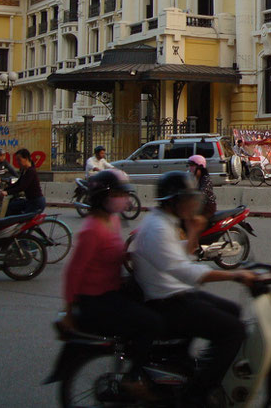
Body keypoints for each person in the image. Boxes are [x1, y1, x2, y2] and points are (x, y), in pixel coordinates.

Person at [132, 172, 257, 399]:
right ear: (173, 201)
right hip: (167, 303)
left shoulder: (165, 222)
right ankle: (199, 393)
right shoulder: (157, 229)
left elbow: (183, 255)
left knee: (234, 311)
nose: (192, 203)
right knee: (234, 330)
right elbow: (188, 272)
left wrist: (192, 231)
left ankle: (207, 367)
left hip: (178, 294)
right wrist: (235, 275)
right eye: (187, 199)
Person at [61, 169, 164, 395]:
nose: (123, 198)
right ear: (103, 197)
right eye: (118, 193)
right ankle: (132, 377)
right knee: (152, 322)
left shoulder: (113, 221)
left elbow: (114, 255)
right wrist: (69, 311)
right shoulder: (92, 230)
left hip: (114, 290)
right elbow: (73, 272)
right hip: (97, 300)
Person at [4, 148, 45, 215]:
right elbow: (18, 183)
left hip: (36, 203)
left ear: (26, 158)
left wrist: (7, 192)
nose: (18, 162)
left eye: (19, 160)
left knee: (23, 219)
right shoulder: (24, 170)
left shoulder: (31, 171)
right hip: (29, 200)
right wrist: (5, 189)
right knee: (11, 206)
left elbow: (22, 187)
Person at [187, 154, 216, 219]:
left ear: (200, 167)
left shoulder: (206, 179)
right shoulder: (194, 178)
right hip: (198, 206)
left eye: (192, 165)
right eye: (189, 166)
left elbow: (202, 193)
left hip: (207, 207)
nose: (190, 168)